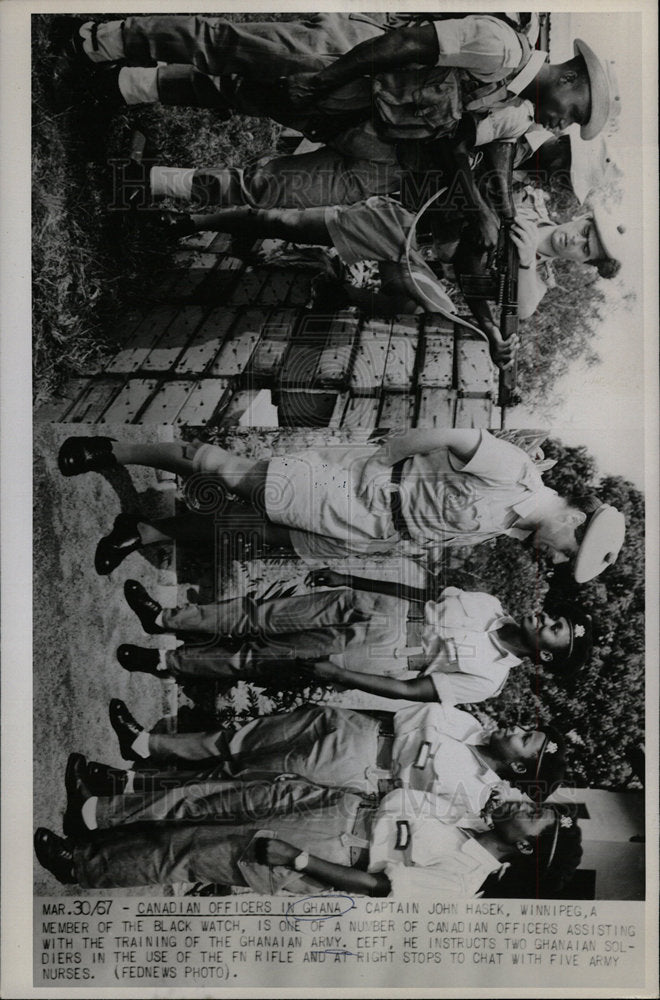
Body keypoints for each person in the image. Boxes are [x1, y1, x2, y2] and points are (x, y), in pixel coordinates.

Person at [59, 15, 619, 216]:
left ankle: (122, 98)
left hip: (368, 120)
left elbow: (461, 143)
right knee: (227, 48)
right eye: (577, 113)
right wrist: (325, 78)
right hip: (347, 61)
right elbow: (401, 45)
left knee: (248, 118)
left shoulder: (520, 108)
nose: (567, 123)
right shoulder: (501, 49)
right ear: (569, 77)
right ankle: (100, 42)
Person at [56, 429, 626, 580]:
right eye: (566, 554)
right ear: (574, 519)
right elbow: (453, 435)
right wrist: (383, 460)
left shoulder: (517, 525)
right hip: (365, 492)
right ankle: (113, 450)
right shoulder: (517, 475)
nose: (553, 560)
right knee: (232, 474)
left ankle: (146, 533)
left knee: (250, 532)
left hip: (369, 533)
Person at [115, 575, 594, 705]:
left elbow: (411, 690)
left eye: (553, 627)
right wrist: (350, 579)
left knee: (254, 656)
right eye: (556, 615)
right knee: (262, 614)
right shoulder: (490, 603)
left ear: (544, 654)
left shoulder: (488, 679)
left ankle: (166, 663)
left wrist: (342, 675)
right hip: (375, 606)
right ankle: (167, 618)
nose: (545, 616)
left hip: (380, 652)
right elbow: (420, 594)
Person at [34, 783, 582, 898]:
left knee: (192, 852)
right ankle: (95, 836)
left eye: (534, 816)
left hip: (328, 853)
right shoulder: (472, 821)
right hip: (342, 811)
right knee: (196, 822)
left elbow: (376, 886)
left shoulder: (465, 881)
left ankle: (78, 865)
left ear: (528, 848)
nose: (523, 806)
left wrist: (297, 858)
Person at [78, 698, 568, 814]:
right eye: (529, 728)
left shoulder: (469, 794)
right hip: (354, 725)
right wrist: (337, 710)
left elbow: (397, 806)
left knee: (233, 779)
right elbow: (399, 711)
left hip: (356, 768)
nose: (519, 727)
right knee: (238, 740)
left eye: (527, 739)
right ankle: (144, 745)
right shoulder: (469, 723)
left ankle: (123, 786)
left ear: (521, 768)